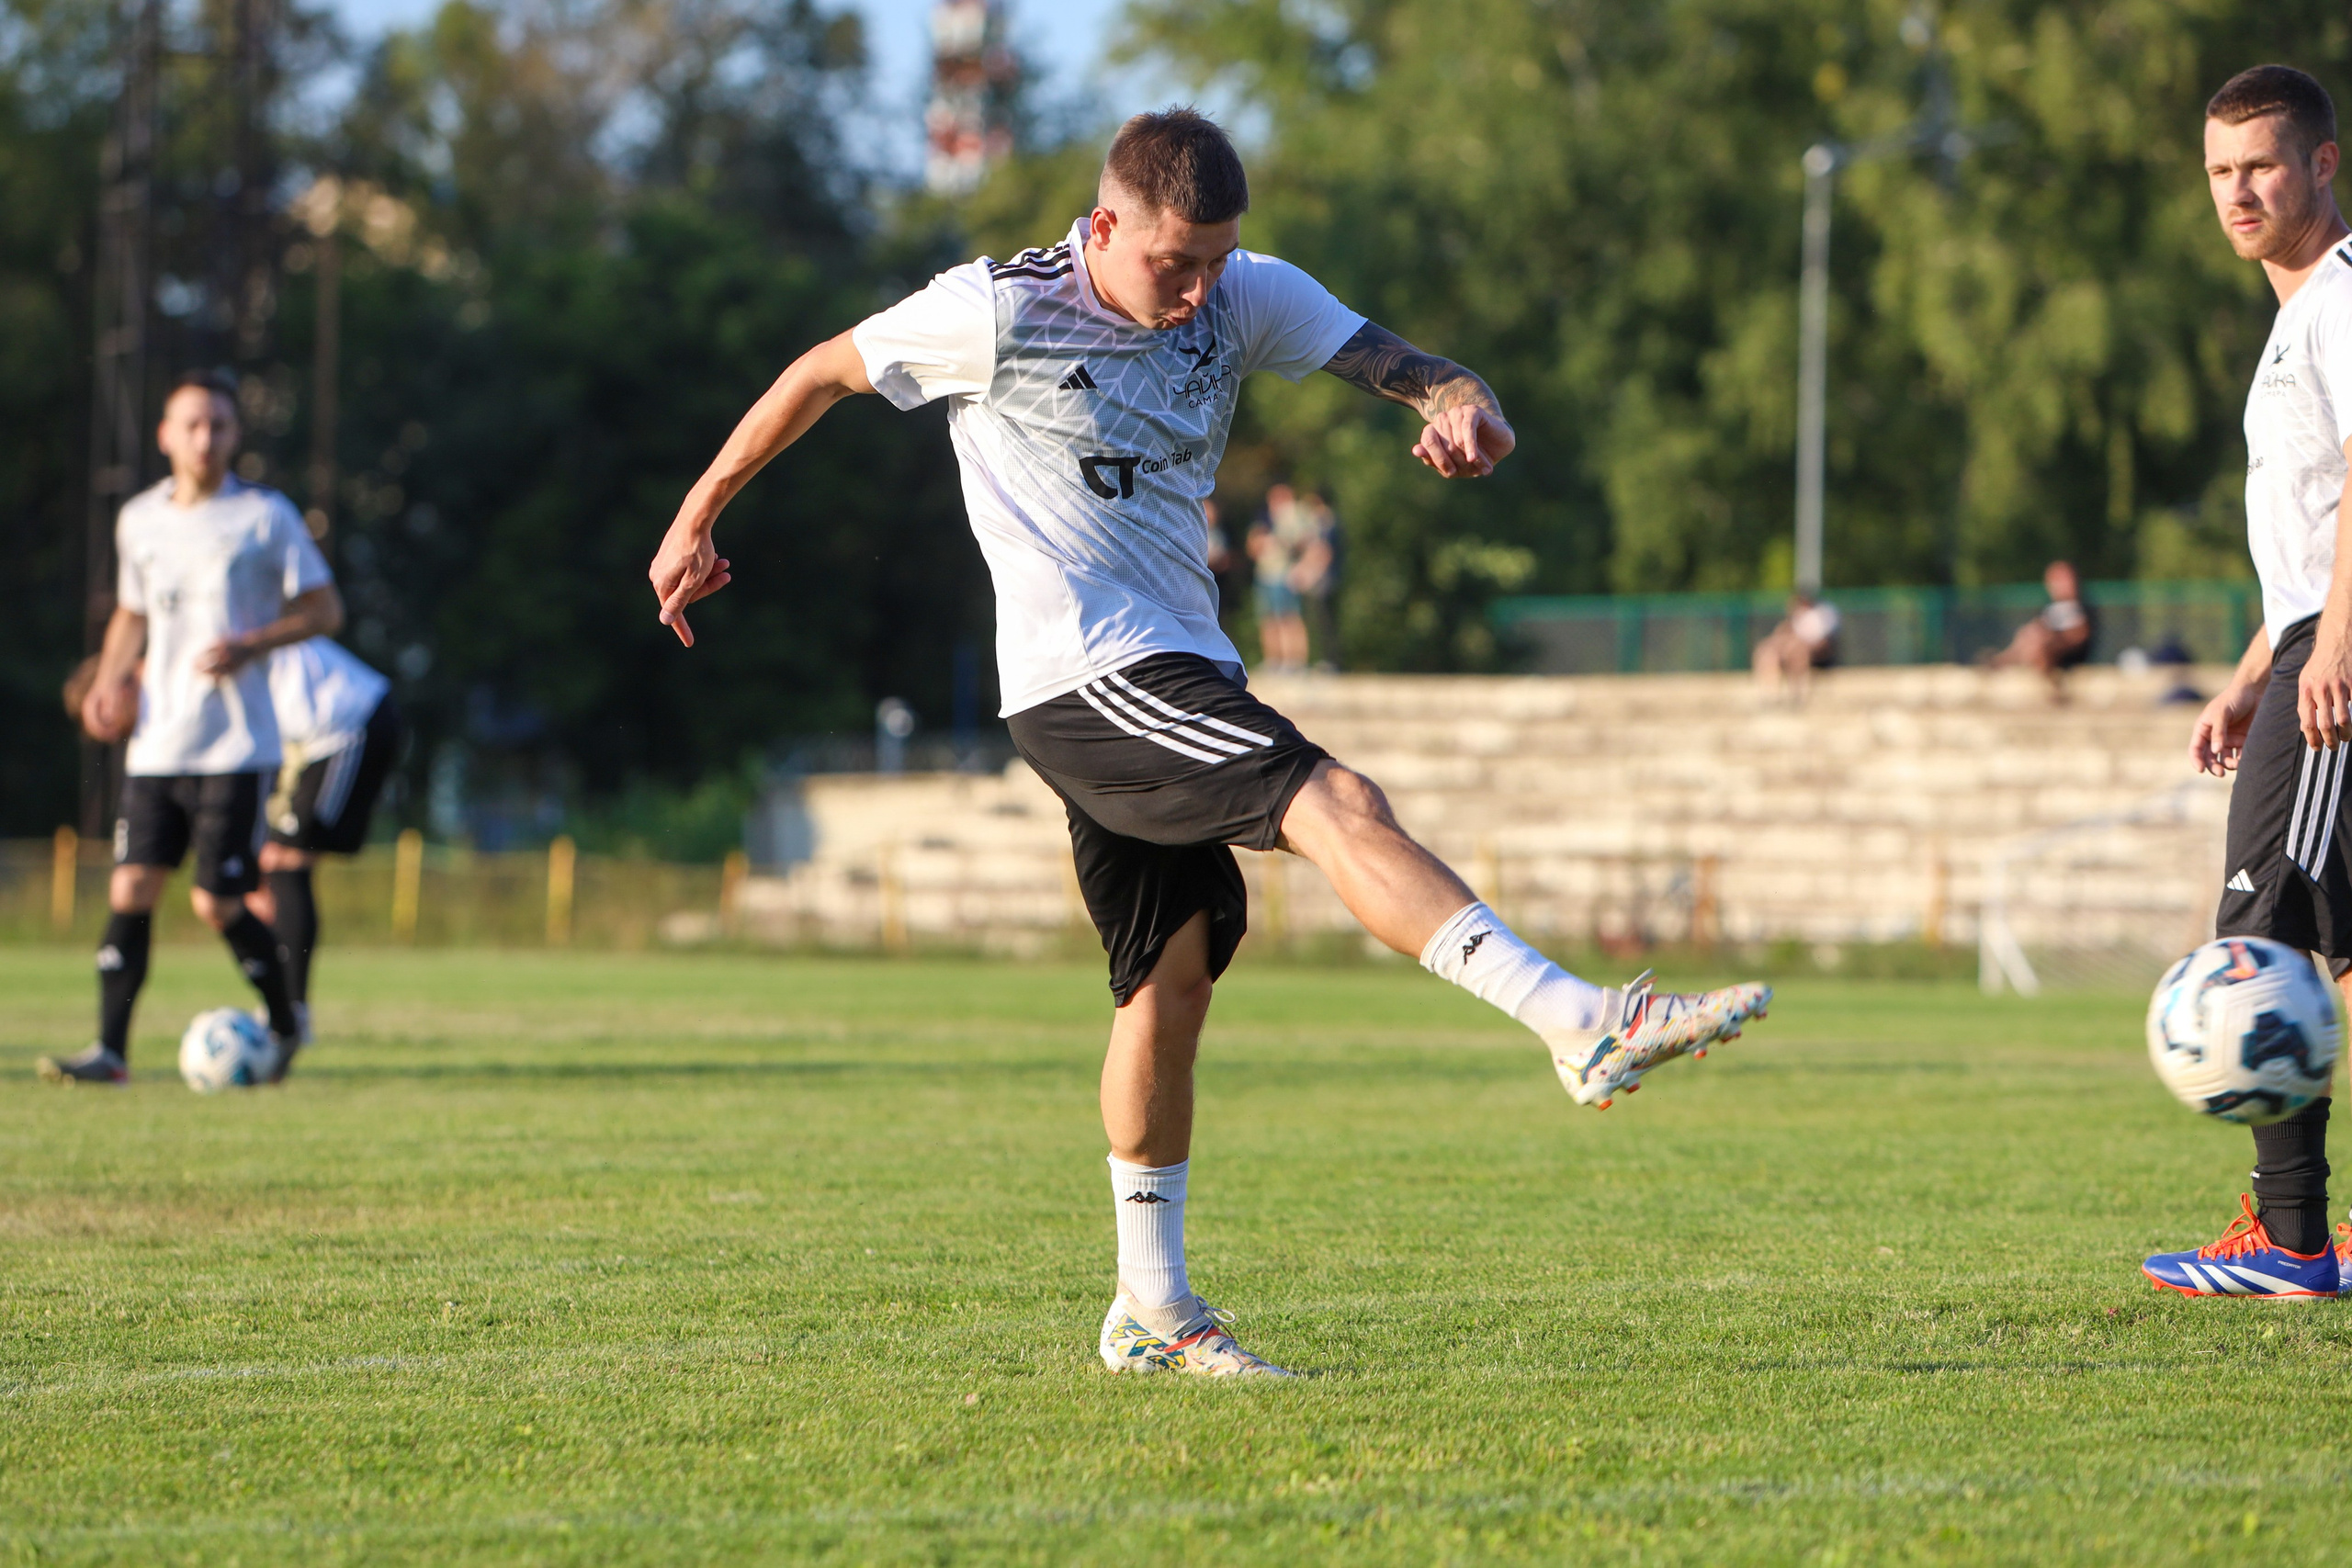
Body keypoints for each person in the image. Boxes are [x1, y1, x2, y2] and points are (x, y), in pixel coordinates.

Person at [646, 107, 1770, 1376]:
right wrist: (697, 515)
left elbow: (1404, 364)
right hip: (1086, 672)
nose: (1195, 292)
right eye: (1172, 264)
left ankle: (1151, 1308)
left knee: (1168, 979)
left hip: (1176, 663)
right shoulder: (993, 311)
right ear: (1106, 225)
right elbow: (821, 372)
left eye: (1215, 263)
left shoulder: (1242, 294)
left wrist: (1466, 403)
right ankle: (1578, 1019)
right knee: (1334, 792)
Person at [2143, 65, 2352, 1299]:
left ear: (2324, 163)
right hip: (2308, 644)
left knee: (2257, 929)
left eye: (2262, 165)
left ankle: (2289, 1240)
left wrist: (2328, 652)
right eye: (2220, 171)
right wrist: (2250, 669)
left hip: (2341, 656)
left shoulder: (2340, 299)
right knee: (2333, 939)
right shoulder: (2293, 320)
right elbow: (2307, 533)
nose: (2238, 191)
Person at [40, 370, 342, 1086]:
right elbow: (133, 614)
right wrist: (111, 681)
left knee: (217, 902)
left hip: (236, 744)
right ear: (166, 436)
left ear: (236, 436)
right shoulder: (139, 521)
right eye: (193, 425)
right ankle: (110, 1053)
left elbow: (325, 611)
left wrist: (252, 643)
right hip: (156, 746)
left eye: (220, 426)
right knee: (131, 889)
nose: (206, 439)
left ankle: (283, 1020)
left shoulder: (266, 516)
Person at [243, 637, 403, 1043]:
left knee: (285, 861)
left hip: (348, 728)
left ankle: (292, 1013)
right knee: (275, 862)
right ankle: (285, 1009)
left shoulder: (242, 638)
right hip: (317, 741)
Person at [1247, 483, 1329, 671]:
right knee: (1268, 619)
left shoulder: (1295, 518)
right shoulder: (1264, 518)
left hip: (1285, 574)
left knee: (1290, 618)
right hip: (1265, 574)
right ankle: (1274, 661)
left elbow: (1307, 543)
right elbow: (1252, 547)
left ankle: (1295, 661)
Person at [1987, 561, 2095, 696]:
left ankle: (2003, 661)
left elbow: (2080, 636)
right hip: (2047, 652)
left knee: (2036, 643)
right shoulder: (2050, 607)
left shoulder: (2081, 607)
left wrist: (2053, 639)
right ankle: (2006, 661)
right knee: (2030, 636)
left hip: (2070, 654)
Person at [1750, 592, 1840, 703]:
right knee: (1768, 651)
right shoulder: (1795, 619)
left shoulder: (1822, 614)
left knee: (1797, 652)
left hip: (1813, 653)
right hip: (1790, 649)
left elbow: (1823, 642)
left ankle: (1795, 694)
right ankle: (1771, 693)